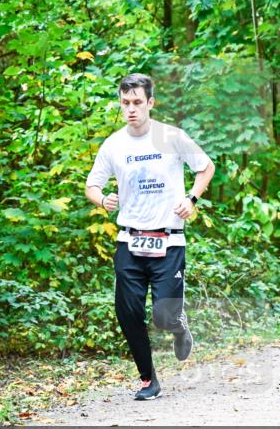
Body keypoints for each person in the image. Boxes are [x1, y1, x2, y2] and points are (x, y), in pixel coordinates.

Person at [85, 73, 216, 400]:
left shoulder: (169, 137)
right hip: (129, 240)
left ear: (151, 103)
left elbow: (205, 166)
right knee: (128, 311)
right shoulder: (114, 144)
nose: (131, 109)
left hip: (168, 239)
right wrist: (102, 199)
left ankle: (178, 325)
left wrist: (191, 199)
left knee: (163, 314)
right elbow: (92, 185)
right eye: (125, 103)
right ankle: (149, 380)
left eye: (137, 103)